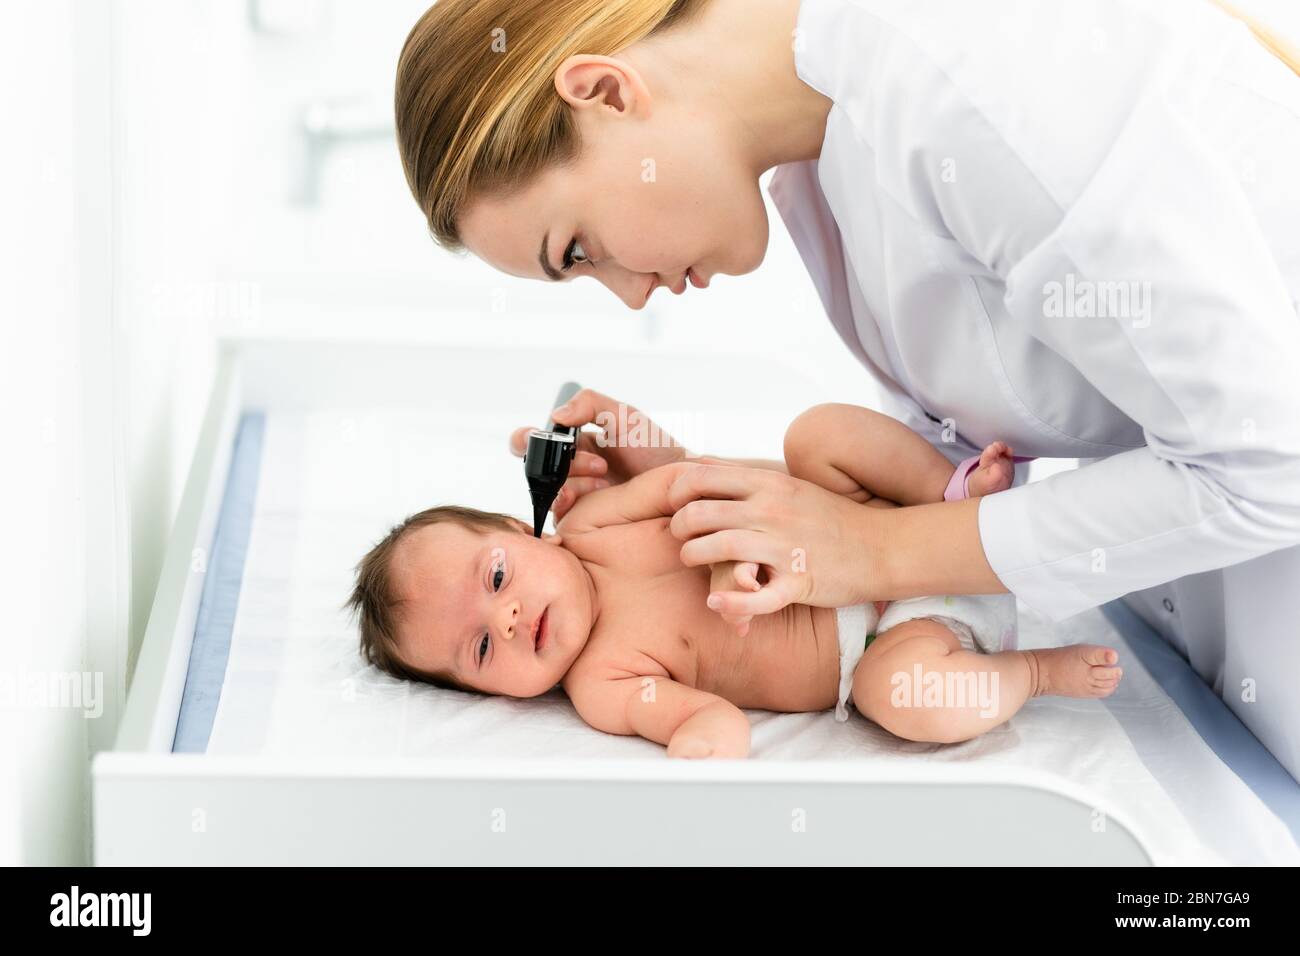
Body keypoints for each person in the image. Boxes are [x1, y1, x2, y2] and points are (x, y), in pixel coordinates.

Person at [393, 0, 1300, 775]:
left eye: (578, 250)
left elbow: (1269, 459)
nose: (628, 295)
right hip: (1196, 612)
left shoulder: (967, 82)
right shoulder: (818, 151)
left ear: (603, 92)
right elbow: (968, 430)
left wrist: (876, 551)